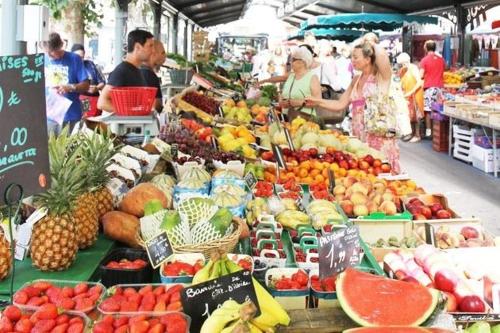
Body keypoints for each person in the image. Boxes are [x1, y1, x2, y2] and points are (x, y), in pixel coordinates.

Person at [306, 36, 401, 174]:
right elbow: (340, 104)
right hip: (360, 137)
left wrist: (367, 43)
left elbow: (382, 57)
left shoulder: (381, 77)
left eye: (356, 57)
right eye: (351, 57)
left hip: (378, 136)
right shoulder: (356, 79)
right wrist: (318, 102)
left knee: (381, 173)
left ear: (368, 59)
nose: (352, 60)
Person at [98, 29, 154, 112]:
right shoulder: (122, 71)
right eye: (150, 46)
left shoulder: (137, 70)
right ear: (137, 47)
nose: (153, 51)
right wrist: (129, 112)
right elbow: (102, 103)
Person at [44, 32, 90, 130]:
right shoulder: (42, 60)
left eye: (52, 52)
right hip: (48, 116)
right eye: (47, 52)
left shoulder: (74, 59)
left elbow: (86, 85)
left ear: (60, 46)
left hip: (71, 116)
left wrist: (70, 87)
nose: (49, 55)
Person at [279, 46, 321, 121]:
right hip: (287, 119)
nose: (291, 62)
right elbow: (283, 95)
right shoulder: (291, 76)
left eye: (294, 59)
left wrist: (298, 102)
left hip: (306, 120)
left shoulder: (312, 77)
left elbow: (318, 101)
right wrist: (281, 101)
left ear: (303, 62)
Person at [419, 40, 445, 138]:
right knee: (438, 110)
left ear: (426, 48)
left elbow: (420, 75)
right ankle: (437, 131)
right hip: (439, 88)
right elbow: (443, 70)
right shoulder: (441, 59)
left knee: (428, 110)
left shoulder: (424, 60)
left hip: (429, 88)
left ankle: (429, 132)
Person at [397, 52, 424, 143]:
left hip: (415, 94)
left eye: (403, 64)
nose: (402, 66)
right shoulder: (403, 70)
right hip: (407, 95)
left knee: (416, 116)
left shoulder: (413, 68)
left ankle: (417, 135)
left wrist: (411, 92)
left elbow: (419, 82)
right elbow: (401, 82)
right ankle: (410, 134)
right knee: (410, 116)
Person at [140, 40, 167, 112]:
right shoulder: (149, 76)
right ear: (153, 54)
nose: (165, 56)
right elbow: (155, 106)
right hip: (146, 121)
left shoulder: (138, 71)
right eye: (163, 53)